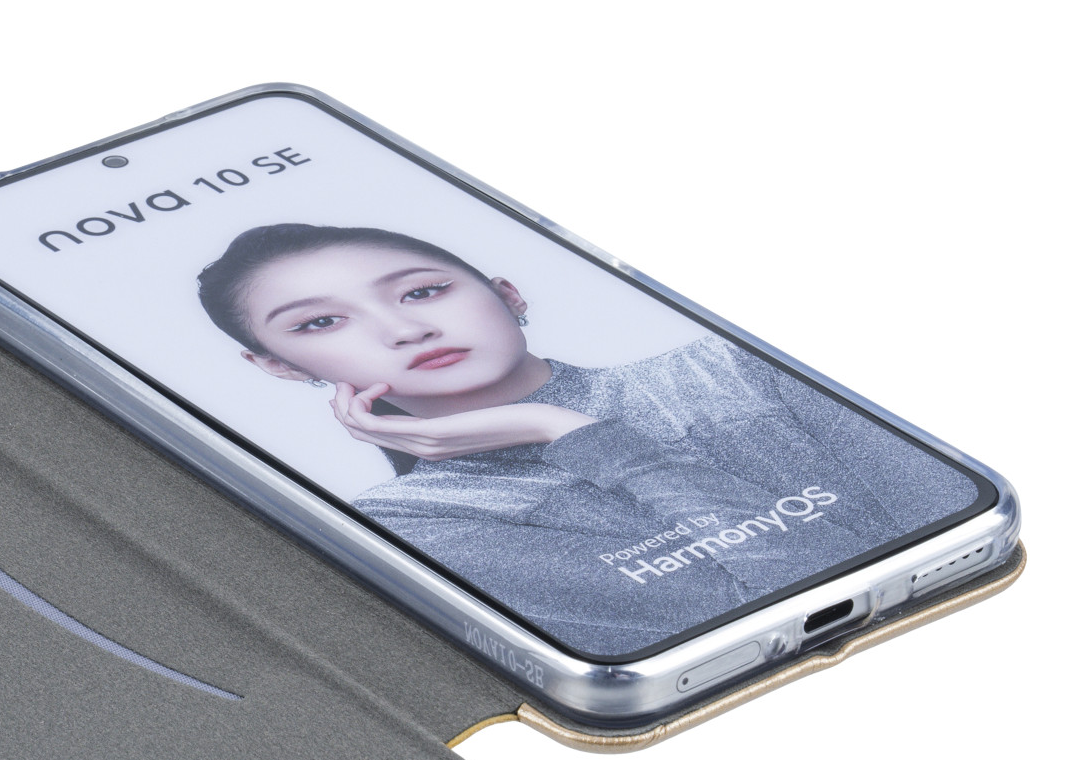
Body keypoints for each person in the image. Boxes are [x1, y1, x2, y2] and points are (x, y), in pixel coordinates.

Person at [195, 223, 977, 659]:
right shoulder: (418, 524)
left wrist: (575, 430)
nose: (404, 329)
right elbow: (779, 590)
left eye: (424, 290)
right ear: (278, 365)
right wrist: (569, 434)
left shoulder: (729, 370)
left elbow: (921, 529)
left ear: (506, 293)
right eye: (319, 323)